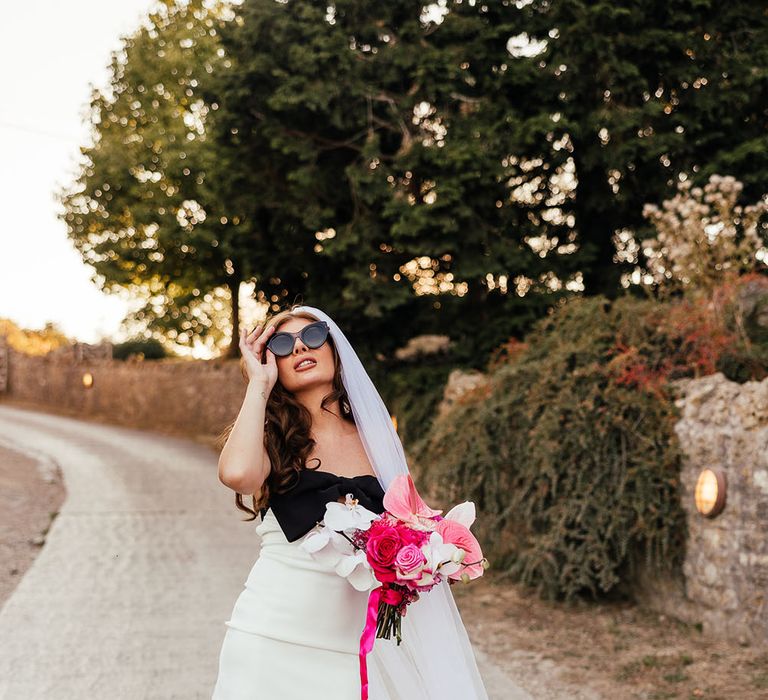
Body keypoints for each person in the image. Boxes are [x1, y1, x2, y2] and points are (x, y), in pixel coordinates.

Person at [211, 304, 489, 699]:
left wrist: (422, 558)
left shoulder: (375, 437)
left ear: (333, 348)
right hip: (269, 636)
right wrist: (259, 384)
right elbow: (237, 475)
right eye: (282, 344)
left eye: (312, 337)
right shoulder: (272, 436)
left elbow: (407, 520)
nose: (299, 349)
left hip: (350, 649)